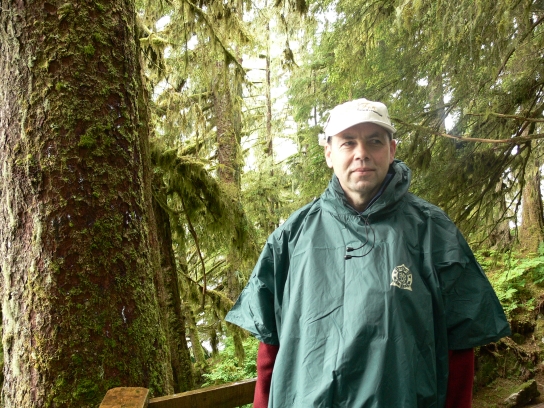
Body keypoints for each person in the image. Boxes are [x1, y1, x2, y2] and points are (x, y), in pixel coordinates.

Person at [225, 98, 511, 407]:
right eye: (348, 142)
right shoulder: (290, 238)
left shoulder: (433, 232)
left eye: (374, 141)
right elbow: (269, 351)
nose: (361, 153)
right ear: (329, 153)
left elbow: (460, 348)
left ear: (392, 150)